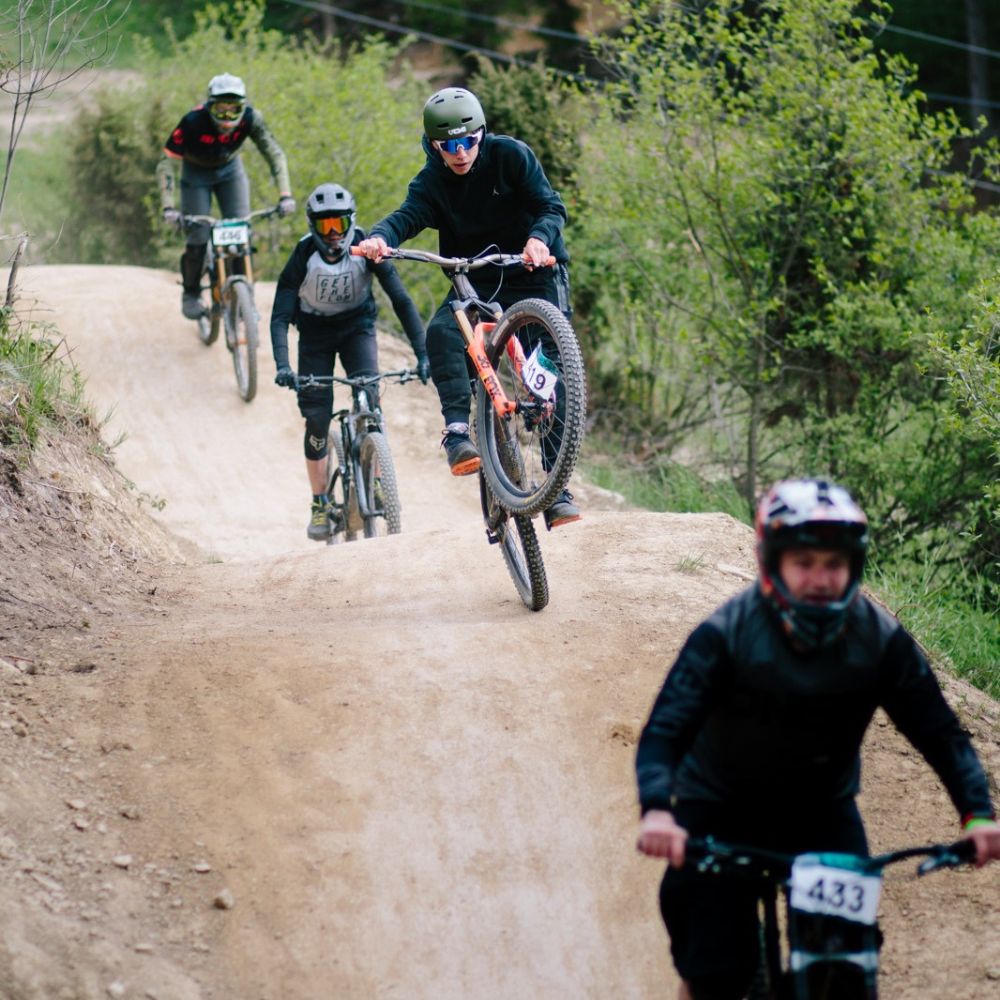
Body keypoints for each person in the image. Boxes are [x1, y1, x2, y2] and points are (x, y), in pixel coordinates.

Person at [634, 477, 1000, 1000]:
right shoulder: (727, 633)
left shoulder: (880, 639)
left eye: (834, 564)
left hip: (821, 811)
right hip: (717, 808)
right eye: (805, 564)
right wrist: (657, 810)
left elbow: (938, 731)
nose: (821, 579)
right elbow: (665, 729)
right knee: (716, 970)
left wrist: (978, 813)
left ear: (854, 566)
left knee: (846, 970)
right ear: (773, 563)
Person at [355, 86, 581, 530]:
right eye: (448, 146)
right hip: (474, 277)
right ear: (434, 146)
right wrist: (381, 238)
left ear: (481, 134)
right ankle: (458, 431)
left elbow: (550, 206)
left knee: (551, 370)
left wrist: (538, 238)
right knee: (442, 331)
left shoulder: (511, 156)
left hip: (531, 268)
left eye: (468, 142)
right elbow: (407, 215)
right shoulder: (431, 182)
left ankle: (558, 492)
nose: (460, 154)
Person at [270, 183, 430, 541]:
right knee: (316, 419)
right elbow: (280, 315)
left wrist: (423, 354)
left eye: (339, 224)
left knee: (369, 400)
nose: (333, 234)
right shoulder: (302, 256)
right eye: (325, 226)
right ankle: (320, 502)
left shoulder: (366, 248)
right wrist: (284, 365)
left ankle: (375, 483)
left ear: (351, 222)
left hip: (357, 328)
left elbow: (401, 300)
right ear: (313, 226)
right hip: (314, 335)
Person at [157, 73, 296, 320]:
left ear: (244, 108)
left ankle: (244, 298)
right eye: (221, 110)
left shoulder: (252, 119)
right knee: (197, 234)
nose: (227, 118)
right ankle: (190, 293)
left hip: (230, 171)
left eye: (235, 110)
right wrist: (168, 207)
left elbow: (275, 154)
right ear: (209, 106)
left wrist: (285, 195)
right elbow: (166, 163)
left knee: (241, 231)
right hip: (196, 173)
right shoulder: (192, 121)